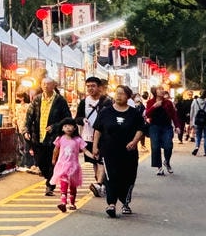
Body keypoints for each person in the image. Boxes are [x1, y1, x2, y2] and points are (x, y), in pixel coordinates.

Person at [92, 85, 147, 218]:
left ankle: (125, 202)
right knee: (111, 177)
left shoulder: (134, 113)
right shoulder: (105, 112)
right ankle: (111, 204)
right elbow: (98, 130)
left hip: (128, 151)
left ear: (128, 97)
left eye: (122, 94)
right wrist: (95, 146)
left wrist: (134, 141)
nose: (118, 96)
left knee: (128, 177)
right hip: (109, 150)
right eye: (117, 93)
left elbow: (141, 129)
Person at [25, 78, 72, 196]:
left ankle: (50, 185)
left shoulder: (60, 101)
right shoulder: (37, 99)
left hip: (53, 138)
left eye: (48, 84)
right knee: (40, 161)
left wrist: (55, 126)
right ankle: (50, 178)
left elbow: (67, 118)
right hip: (38, 136)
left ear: (54, 85)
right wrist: (26, 129)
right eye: (43, 84)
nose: (45, 86)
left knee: (52, 162)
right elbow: (29, 116)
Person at [74, 76, 112, 197]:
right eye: (88, 86)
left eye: (93, 86)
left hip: (104, 136)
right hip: (88, 135)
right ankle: (99, 183)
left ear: (99, 87)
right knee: (95, 161)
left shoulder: (107, 101)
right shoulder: (84, 102)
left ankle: (100, 184)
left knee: (102, 160)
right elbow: (77, 118)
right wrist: (82, 119)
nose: (90, 88)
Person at [51, 118, 86, 213]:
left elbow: (85, 150)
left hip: (74, 166)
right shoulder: (60, 138)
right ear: (62, 129)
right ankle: (63, 203)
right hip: (62, 165)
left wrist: (93, 156)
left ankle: (72, 203)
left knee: (73, 185)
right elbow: (56, 149)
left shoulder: (78, 140)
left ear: (75, 128)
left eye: (70, 126)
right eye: (65, 126)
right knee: (64, 183)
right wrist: (54, 159)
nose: (68, 128)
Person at [144, 87, 182, 175]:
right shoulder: (150, 102)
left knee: (168, 145)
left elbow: (174, 115)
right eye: (159, 89)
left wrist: (177, 126)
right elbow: (147, 114)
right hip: (154, 126)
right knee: (155, 147)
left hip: (167, 126)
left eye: (162, 89)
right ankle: (159, 167)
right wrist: (154, 106)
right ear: (155, 92)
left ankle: (167, 162)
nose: (162, 91)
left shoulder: (168, 102)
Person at [190, 91, 206, 156]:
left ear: (199, 94)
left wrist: (191, 122)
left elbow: (191, 112)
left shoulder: (194, 101)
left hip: (197, 122)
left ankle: (197, 147)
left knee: (198, 136)